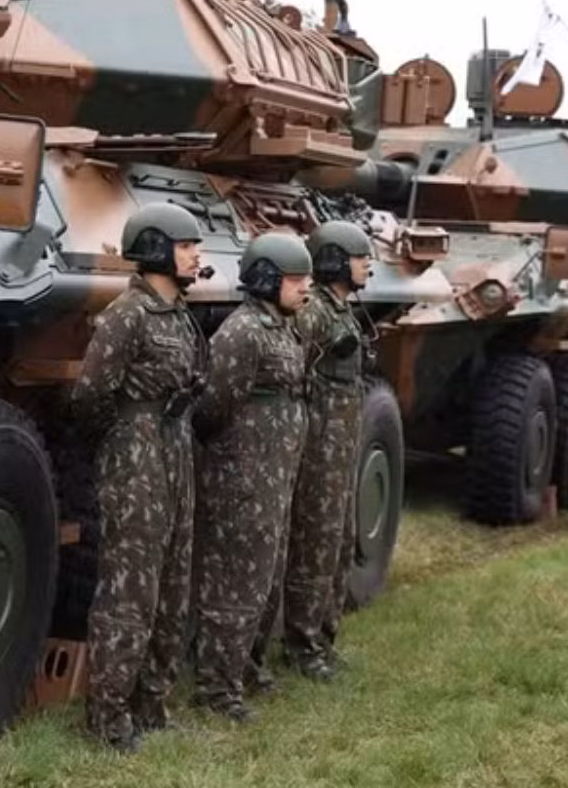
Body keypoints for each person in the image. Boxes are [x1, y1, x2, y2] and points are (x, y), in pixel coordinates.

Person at [67, 201, 209, 753]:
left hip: (175, 447)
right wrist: (126, 440)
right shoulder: (127, 315)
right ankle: (108, 717)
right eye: (186, 245)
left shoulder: (179, 314)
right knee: (130, 589)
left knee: (172, 585)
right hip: (137, 456)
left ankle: (152, 706)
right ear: (155, 249)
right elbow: (90, 396)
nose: (195, 254)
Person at [190, 230, 313, 723]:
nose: (306, 287)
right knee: (234, 584)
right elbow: (211, 406)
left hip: (274, 479)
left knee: (264, 579)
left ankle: (247, 667)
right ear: (266, 280)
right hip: (243, 479)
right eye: (296, 279)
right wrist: (237, 464)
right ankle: (217, 689)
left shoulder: (283, 328)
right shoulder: (242, 332)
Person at [264, 219, 375, 682]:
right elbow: (294, 368)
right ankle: (303, 644)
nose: (368, 264)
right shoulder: (315, 313)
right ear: (335, 261)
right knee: (315, 541)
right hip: (320, 443)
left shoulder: (342, 310)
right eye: (360, 257)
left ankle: (324, 637)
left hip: (341, 442)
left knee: (339, 540)